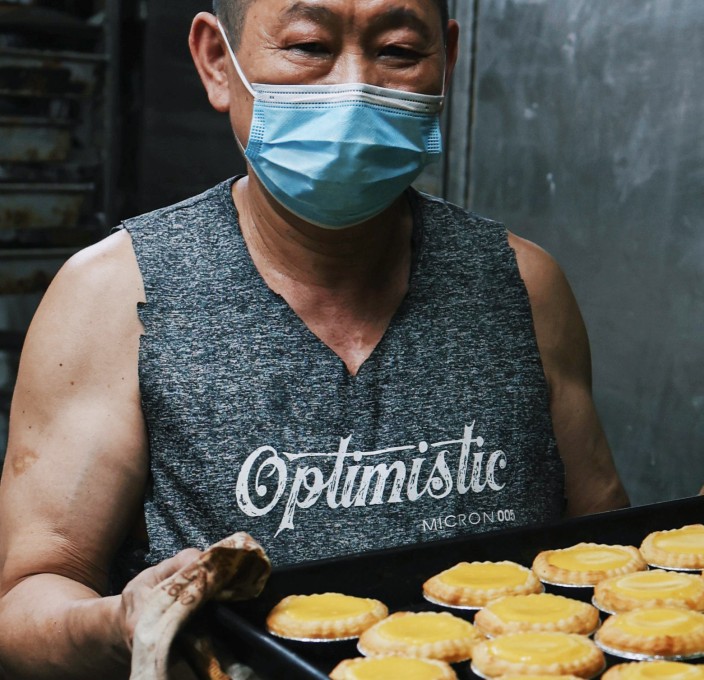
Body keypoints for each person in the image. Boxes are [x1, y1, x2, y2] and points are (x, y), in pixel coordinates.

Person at [0, 0, 633, 676]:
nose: (353, 89)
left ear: (446, 61)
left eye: (398, 52)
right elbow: (25, 600)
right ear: (218, 62)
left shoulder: (523, 286)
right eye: (308, 47)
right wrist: (123, 622)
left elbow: (603, 547)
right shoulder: (114, 298)